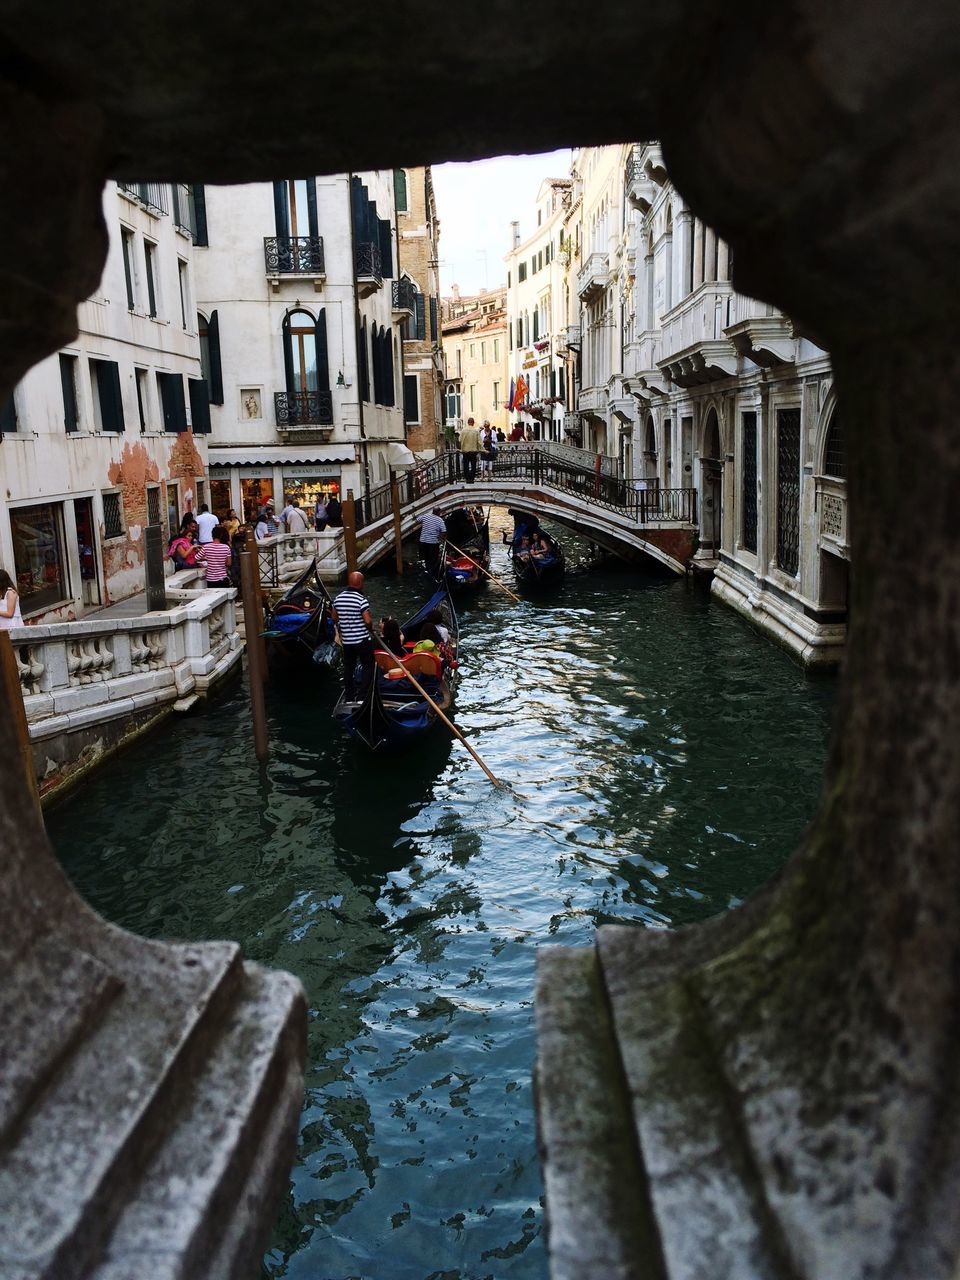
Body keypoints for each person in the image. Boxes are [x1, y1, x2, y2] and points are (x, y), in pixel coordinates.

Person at [331, 570, 375, 701]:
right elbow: (367, 620)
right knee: (368, 665)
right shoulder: (361, 600)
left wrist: (346, 620)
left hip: (348, 642)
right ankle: (362, 696)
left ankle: (349, 697)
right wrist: (370, 628)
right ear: (360, 583)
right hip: (362, 640)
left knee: (349, 667)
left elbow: (334, 618)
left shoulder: (338, 599)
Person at [418, 506, 446, 577]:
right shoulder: (440, 520)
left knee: (426, 557)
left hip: (423, 541)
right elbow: (444, 531)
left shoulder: (425, 516)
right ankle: (431, 572)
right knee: (433, 558)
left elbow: (418, 520)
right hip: (432, 543)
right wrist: (440, 538)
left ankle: (427, 569)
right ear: (438, 512)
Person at [459, 416, 481, 484]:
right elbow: (479, 442)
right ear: (473, 423)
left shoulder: (463, 430)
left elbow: (459, 440)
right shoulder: (476, 431)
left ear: (468, 423)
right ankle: (472, 478)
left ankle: (467, 479)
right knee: (473, 465)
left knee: (466, 465)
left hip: (465, 451)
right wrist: (482, 450)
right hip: (473, 451)